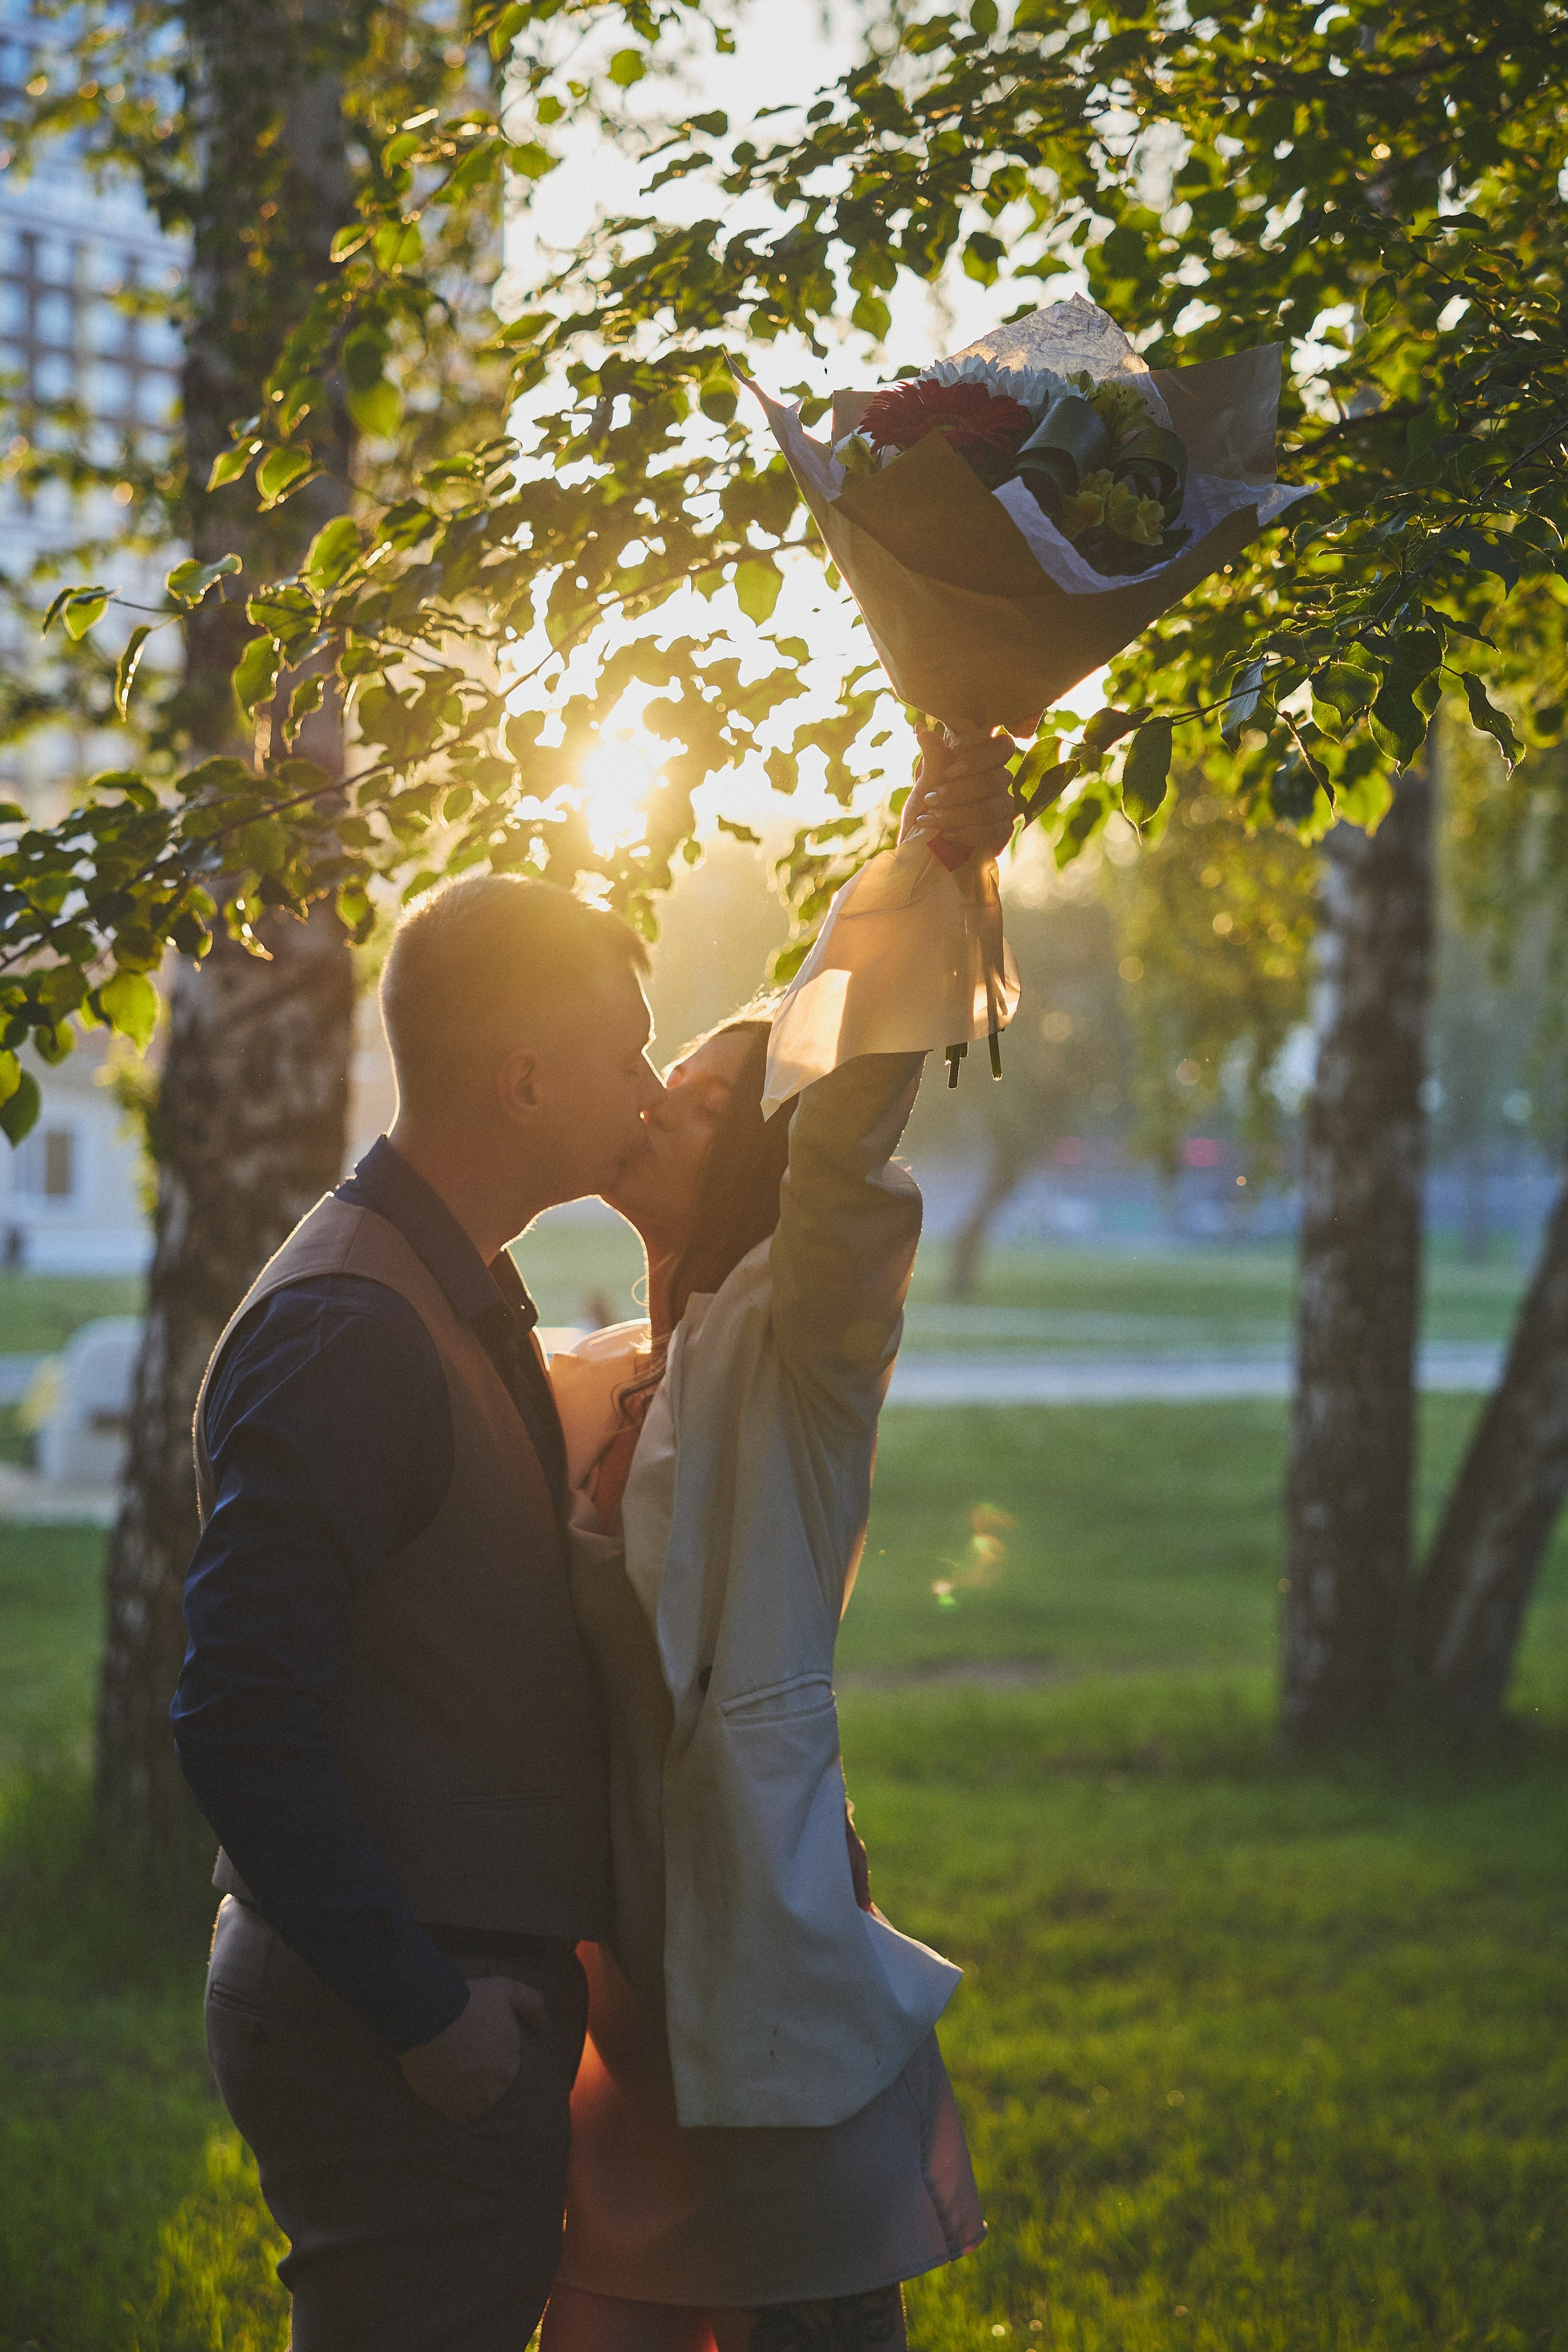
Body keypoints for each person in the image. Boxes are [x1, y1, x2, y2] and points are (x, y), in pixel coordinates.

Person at [541, 733, 1019, 2352]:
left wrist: (921, 867)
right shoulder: (612, 1369)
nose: (649, 1107)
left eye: (688, 1102)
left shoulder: (800, 1351)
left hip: (764, 1971)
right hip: (620, 1996)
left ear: (752, 1151)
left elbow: (848, 1133)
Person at [170, 875, 665, 2352]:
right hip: (394, 2015)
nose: (649, 1085)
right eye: (627, 1052)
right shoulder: (350, 1329)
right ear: (523, 1080)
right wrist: (423, 2014)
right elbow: (236, 1717)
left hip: (441, 1990)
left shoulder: (444, 1284)